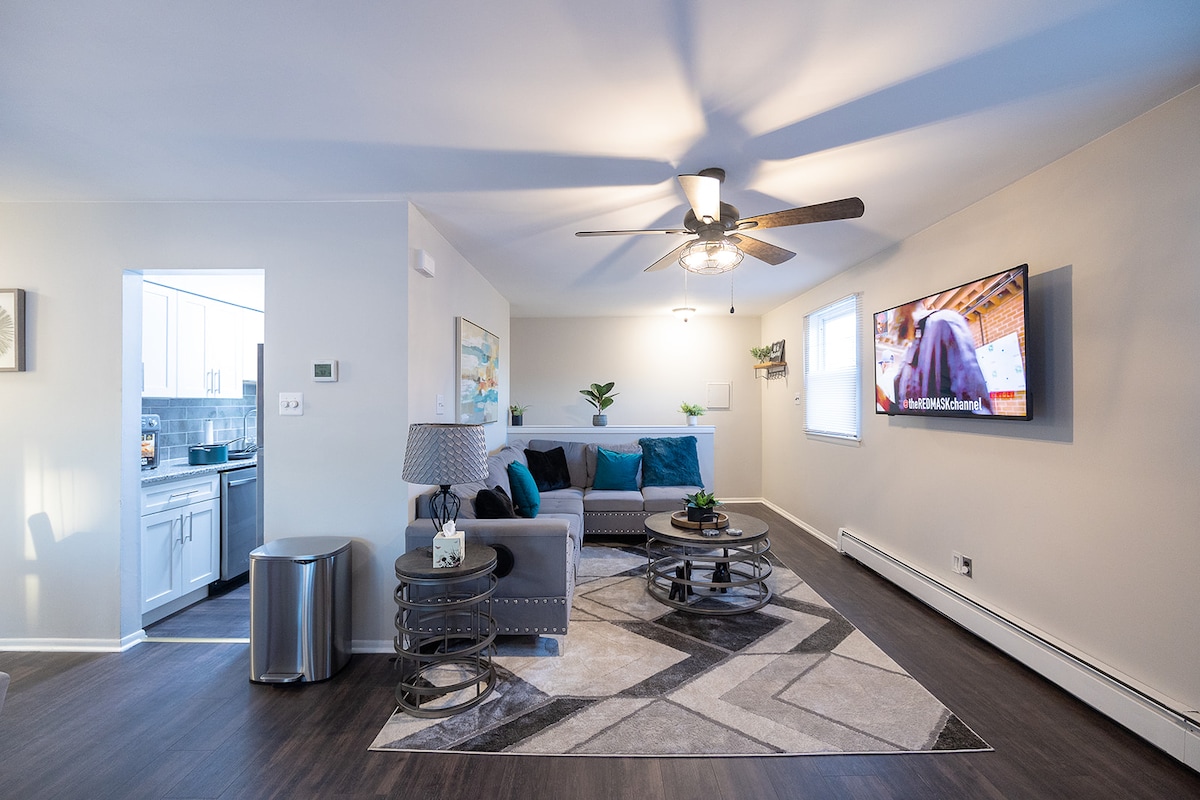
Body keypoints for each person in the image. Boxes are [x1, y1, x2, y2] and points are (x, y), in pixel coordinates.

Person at [880, 300, 993, 415]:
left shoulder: (944, 323)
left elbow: (977, 408)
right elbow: (904, 413)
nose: (892, 319)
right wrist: (880, 397)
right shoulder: (906, 358)